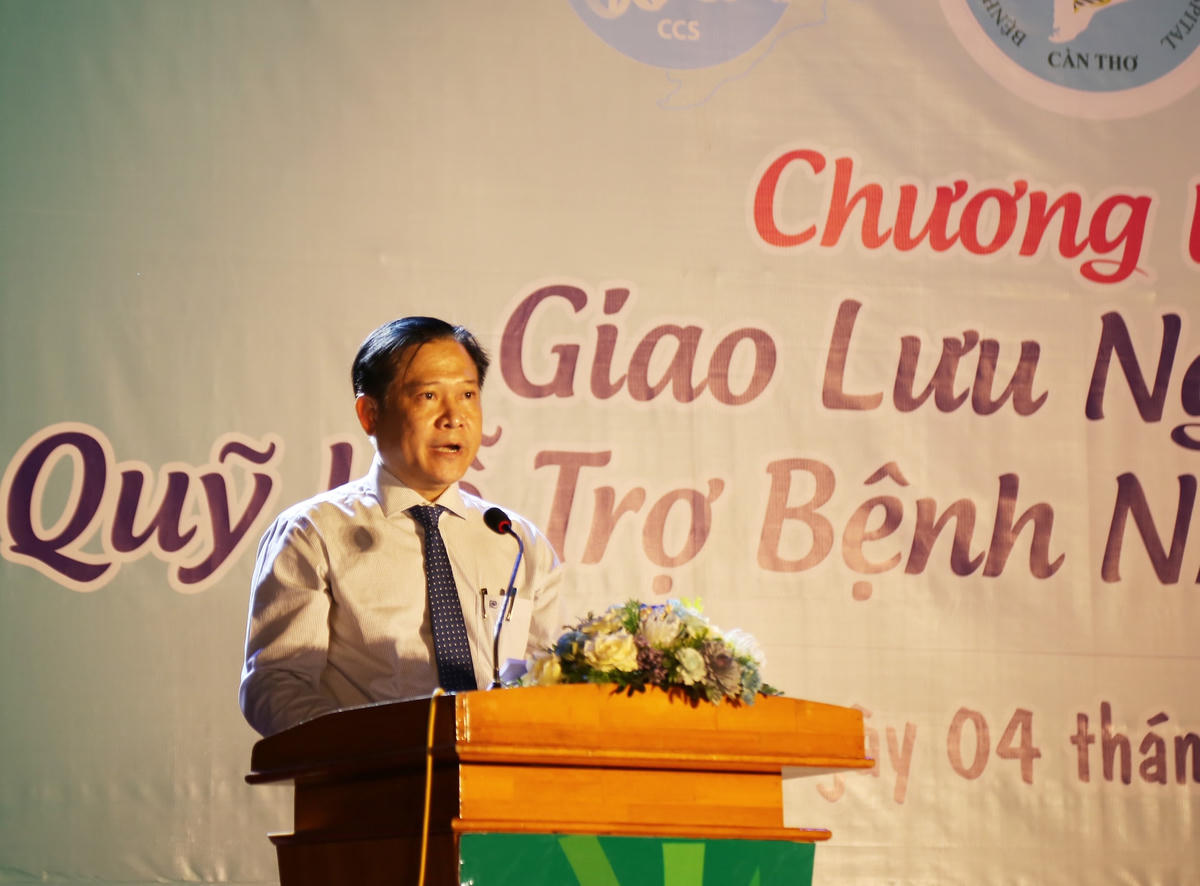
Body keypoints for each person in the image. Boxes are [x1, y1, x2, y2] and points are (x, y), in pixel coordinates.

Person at [239, 317, 563, 737]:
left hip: (497, 770)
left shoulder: (516, 541)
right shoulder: (312, 533)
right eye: (429, 396)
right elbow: (277, 684)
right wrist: (369, 753)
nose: (454, 417)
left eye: (467, 395)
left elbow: (548, 684)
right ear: (370, 414)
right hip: (369, 771)